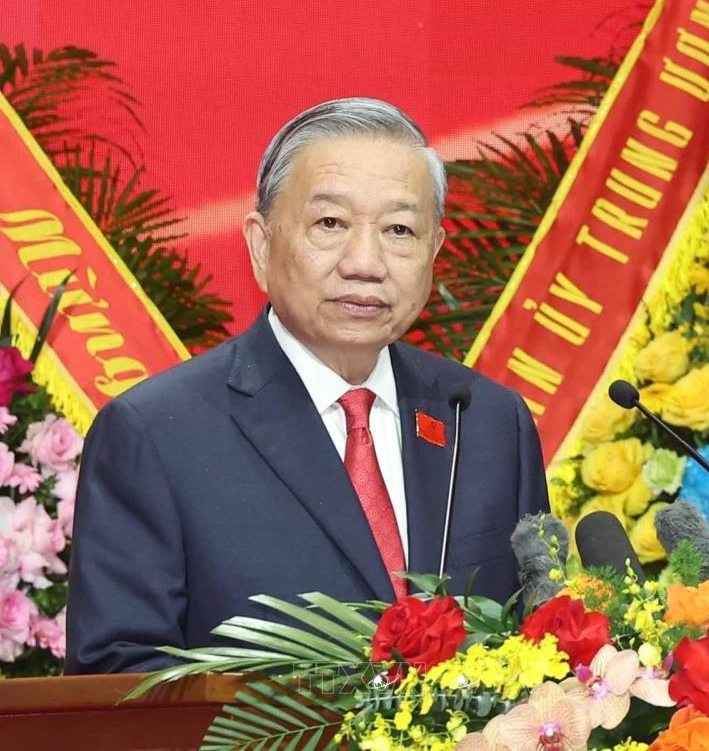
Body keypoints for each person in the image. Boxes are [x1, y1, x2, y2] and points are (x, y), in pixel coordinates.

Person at [65, 98, 549, 674]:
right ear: (261, 244)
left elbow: (541, 648)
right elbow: (117, 678)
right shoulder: (157, 433)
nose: (365, 262)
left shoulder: (487, 421)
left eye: (399, 230)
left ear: (433, 252)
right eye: (330, 224)